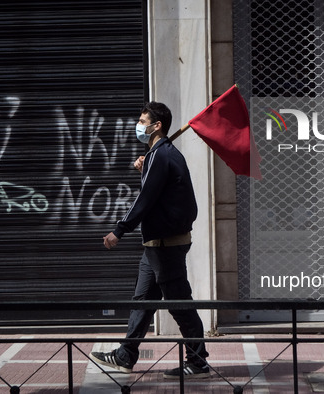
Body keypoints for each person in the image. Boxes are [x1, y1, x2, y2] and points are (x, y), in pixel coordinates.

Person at [89, 102, 209, 379]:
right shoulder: (160, 155)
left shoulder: (162, 155)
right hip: (156, 243)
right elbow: (161, 192)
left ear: (157, 126)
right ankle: (126, 355)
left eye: (143, 121)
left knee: (180, 302)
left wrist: (119, 229)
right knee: (143, 300)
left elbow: (146, 199)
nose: (139, 126)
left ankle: (198, 360)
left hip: (165, 243)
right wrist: (145, 168)